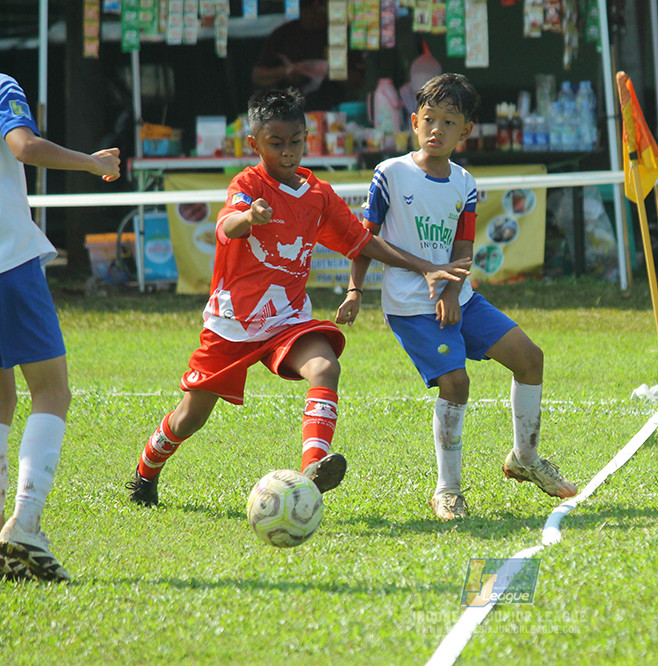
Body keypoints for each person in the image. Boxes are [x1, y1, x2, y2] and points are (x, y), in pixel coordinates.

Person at [125, 87, 469, 509]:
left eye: (296, 141)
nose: (288, 152)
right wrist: (248, 216)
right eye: (276, 143)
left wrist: (424, 267)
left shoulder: (317, 194)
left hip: (287, 319)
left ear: (307, 138)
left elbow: (362, 241)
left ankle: (312, 472)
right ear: (254, 144)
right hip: (233, 324)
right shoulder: (248, 184)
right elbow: (227, 225)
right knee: (190, 417)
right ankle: (145, 473)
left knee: (325, 367)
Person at [336, 74, 578, 521]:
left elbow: (463, 247)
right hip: (411, 307)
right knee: (456, 383)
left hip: (459, 298)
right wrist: (355, 289)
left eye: (449, 122)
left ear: (465, 131)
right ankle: (447, 491)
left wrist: (451, 290)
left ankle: (524, 458)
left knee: (530, 358)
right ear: (414, 121)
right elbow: (364, 239)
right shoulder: (390, 174)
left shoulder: (464, 182)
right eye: (429, 119)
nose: (437, 130)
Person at [0, 73, 121, 582]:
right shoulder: (1, 85)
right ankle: (25, 524)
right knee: (51, 391)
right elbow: (24, 147)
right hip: (8, 263)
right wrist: (92, 162)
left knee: (1, 398)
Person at [251, 0, 364, 111]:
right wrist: (285, 72)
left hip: (333, 110)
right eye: (310, 9)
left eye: (319, 9)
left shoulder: (340, 33)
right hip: (291, 112)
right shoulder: (283, 34)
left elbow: (358, 81)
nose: (314, 15)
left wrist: (332, 67)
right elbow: (258, 76)